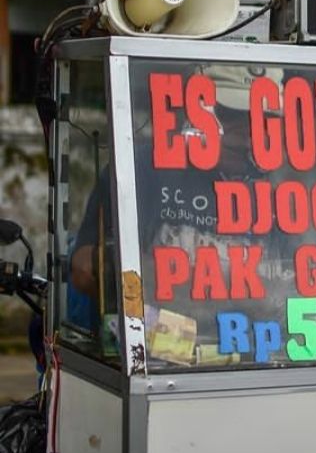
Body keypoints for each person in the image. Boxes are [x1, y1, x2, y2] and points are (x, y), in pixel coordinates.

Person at [70, 63, 296, 363]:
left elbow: (290, 286)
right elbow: (85, 269)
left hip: (245, 359)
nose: (250, 135)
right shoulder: (144, 168)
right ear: (200, 110)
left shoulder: (278, 191)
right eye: (237, 116)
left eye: (265, 119)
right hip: (153, 360)